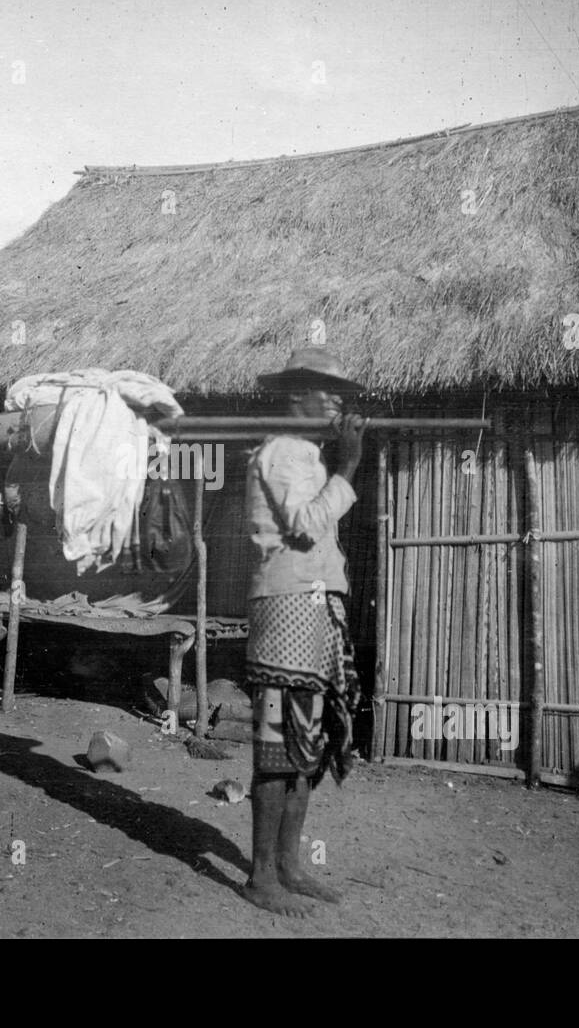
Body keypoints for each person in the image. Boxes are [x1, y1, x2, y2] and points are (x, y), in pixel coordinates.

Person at [243, 347, 366, 916]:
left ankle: (289, 864)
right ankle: (261, 874)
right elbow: (303, 525)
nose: (338, 401)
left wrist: (338, 466)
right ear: (297, 396)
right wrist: (348, 468)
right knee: (276, 744)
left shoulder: (308, 453)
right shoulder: (284, 452)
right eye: (328, 392)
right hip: (286, 602)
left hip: (313, 603)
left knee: (304, 742)